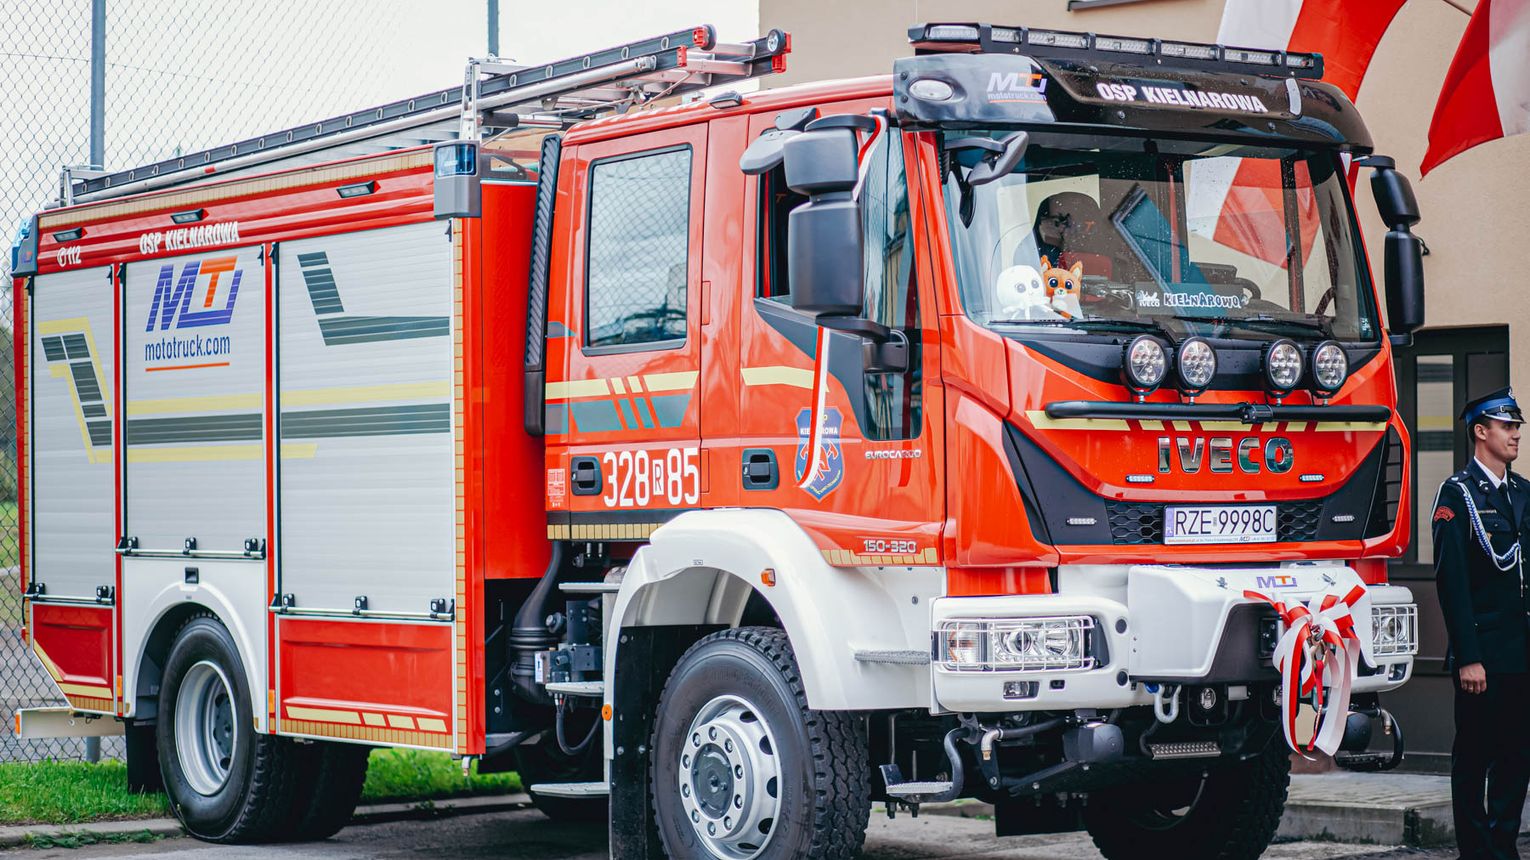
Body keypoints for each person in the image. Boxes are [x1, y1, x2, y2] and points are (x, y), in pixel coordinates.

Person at [1434, 386, 1530, 860]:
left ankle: (1503, 847)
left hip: (1521, 653)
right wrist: (1468, 656)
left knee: (1517, 756)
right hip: (1483, 656)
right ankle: (1475, 850)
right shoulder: (1458, 494)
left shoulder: (1524, 493)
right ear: (1480, 431)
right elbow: (1452, 584)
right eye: (1506, 425)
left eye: (1516, 426)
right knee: (1474, 758)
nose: (1515, 434)